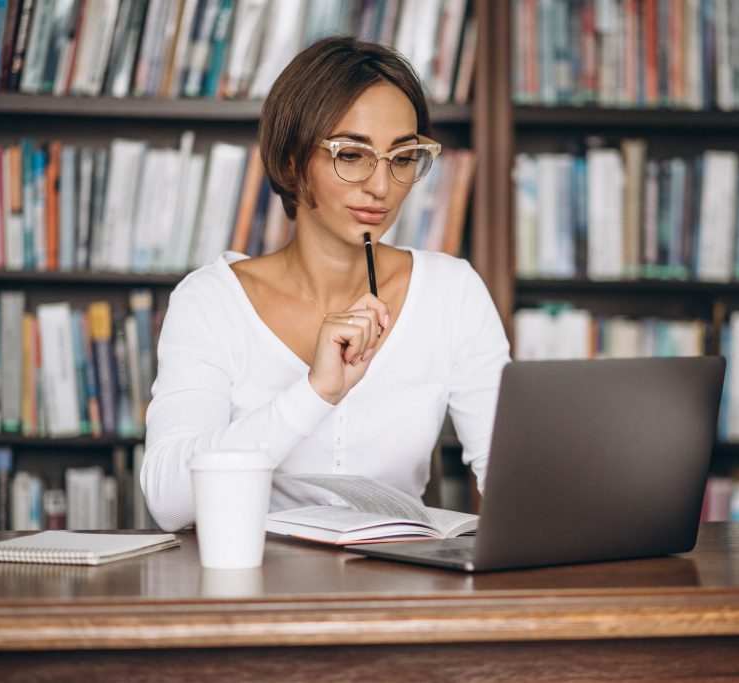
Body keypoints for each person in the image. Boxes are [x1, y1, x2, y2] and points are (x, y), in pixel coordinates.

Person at [141, 36, 510, 532]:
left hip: (400, 574)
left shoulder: (452, 291)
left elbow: (513, 476)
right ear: (291, 163)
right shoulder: (211, 300)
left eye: (402, 158)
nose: (381, 186)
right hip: (253, 574)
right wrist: (314, 392)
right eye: (352, 154)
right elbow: (169, 503)